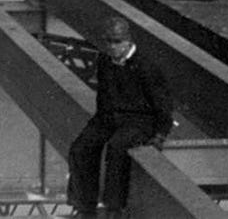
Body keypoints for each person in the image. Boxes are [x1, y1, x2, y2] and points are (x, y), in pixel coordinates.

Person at [67, 16, 173, 217]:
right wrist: (97, 123)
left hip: (139, 120)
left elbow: (163, 104)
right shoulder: (105, 61)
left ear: (128, 41)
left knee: (117, 149)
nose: (112, 47)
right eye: (108, 42)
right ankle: (85, 207)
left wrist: (160, 134)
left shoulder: (146, 67)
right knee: (81, 148)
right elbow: (103, 95)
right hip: (110, 117)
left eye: (117, 42)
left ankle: (114, 208)